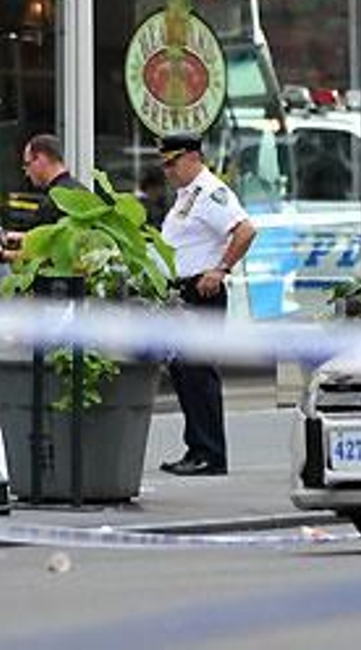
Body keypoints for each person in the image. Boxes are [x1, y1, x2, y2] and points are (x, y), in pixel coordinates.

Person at [157, 133, 257, 477]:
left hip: (203, 292)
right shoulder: (188, 194)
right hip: (184, 293)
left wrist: (221, 269)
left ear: (193, 157)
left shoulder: (211, 192)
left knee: (199, 374)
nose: (168, 170)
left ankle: (211, 454)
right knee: (185, 374)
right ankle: (197, 448)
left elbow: (245, 230)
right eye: (164, 164)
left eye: (173, 162)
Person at [0, 132, 82, 266]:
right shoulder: (79, 191)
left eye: (27, 164)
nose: (26, 172)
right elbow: (60, 240)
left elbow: (43, 255)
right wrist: (19, 237)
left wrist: (2, 254)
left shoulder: (54, 201)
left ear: (40, 159)